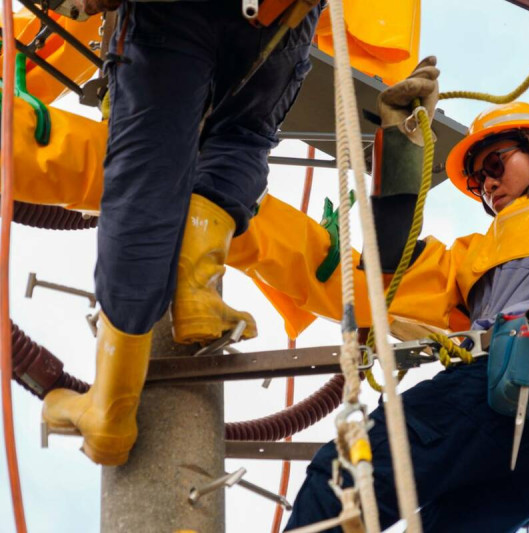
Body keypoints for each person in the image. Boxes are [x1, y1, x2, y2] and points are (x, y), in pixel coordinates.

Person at [231, 0, 529, 530]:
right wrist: (400, 142)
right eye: (479, 179)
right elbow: (385, 276)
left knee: (345, 479)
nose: (487, 184)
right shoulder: (472, 257)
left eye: (496, 163)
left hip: (500, 395)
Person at [40, 0, 322, 466]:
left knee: (148, 173)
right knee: (243, 134)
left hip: (173, 14)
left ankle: (110, 408)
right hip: (281, 13)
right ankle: (195, 294)